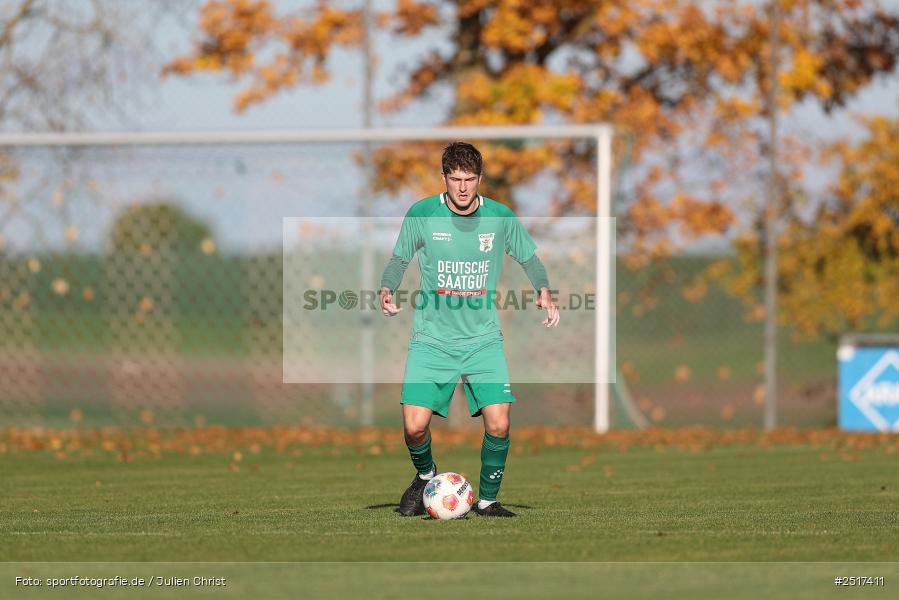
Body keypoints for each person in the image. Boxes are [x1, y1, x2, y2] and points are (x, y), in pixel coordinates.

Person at [379, 141, 560, 518]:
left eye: (470, 179)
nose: (462, 188)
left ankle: (488, 501)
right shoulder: (423, 213)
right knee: (414, 427)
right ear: (443, 177)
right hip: (432, 341)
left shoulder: (500, 217)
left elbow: (529, 258)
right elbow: (399, 258)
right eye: (455, 179)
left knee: (500, 423)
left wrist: (543, 290)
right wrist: (387, 287)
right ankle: (426, 475)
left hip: (483, 342)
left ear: (480, 179)